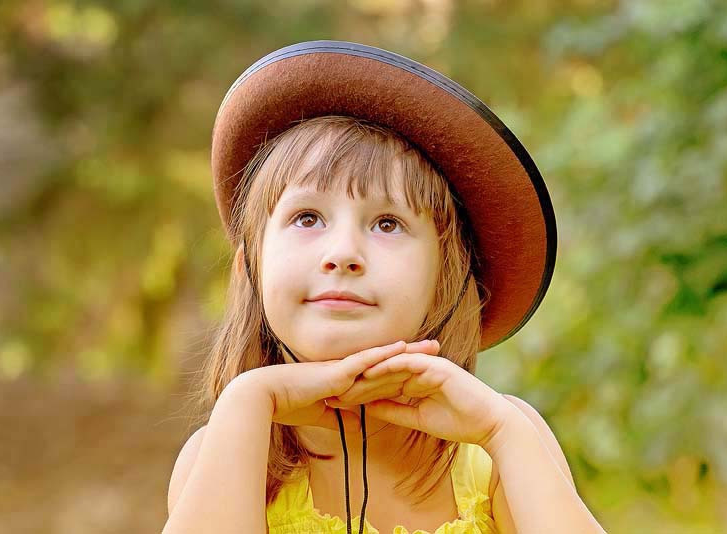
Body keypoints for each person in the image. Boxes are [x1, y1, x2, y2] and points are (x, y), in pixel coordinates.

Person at [162, 41, 607, 534]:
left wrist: (505, 433)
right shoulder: (225, 447)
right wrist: (248, 402)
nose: (344, 252)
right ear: (251, 268)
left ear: (447, 281)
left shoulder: (498, 445)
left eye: (388, 224)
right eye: (307, 217)